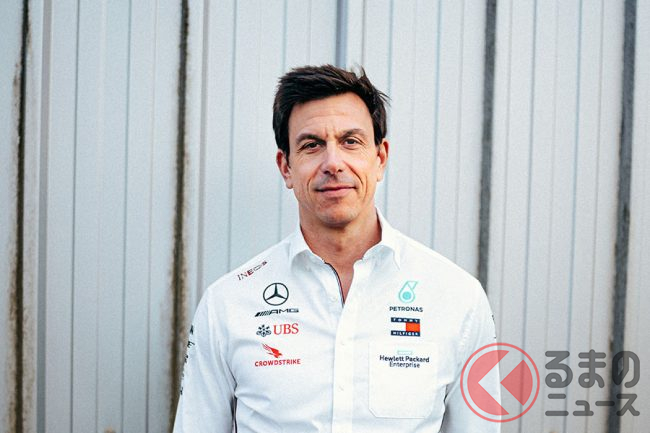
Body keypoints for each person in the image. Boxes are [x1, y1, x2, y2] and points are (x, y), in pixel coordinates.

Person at [173, 64, 500, 433]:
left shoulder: (458, 298)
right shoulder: (228, 304)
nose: (332, 163)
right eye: (311, 145)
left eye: (351, 142)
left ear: (380, 158)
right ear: (286, 167)